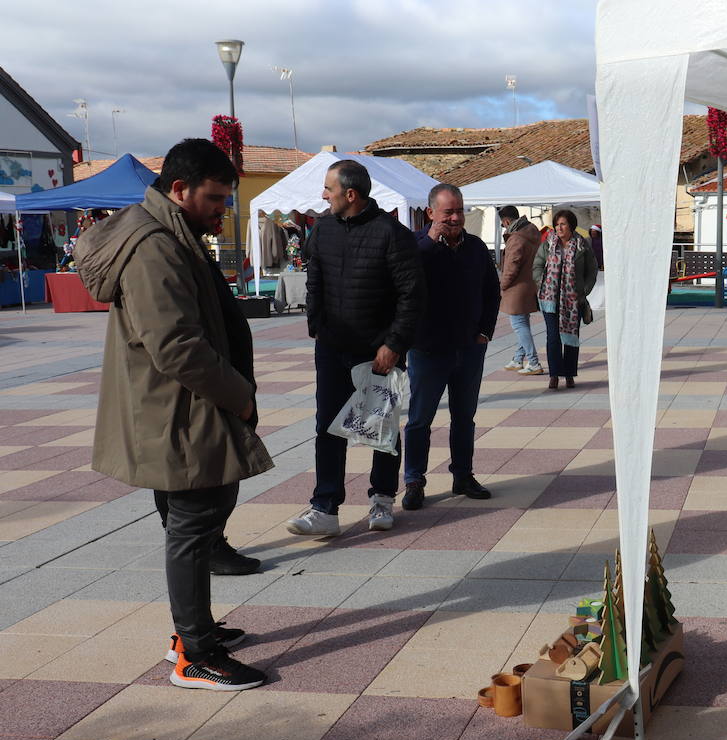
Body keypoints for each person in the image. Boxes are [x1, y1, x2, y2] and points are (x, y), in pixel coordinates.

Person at [75, 138, 273, 690]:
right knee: (194, 524)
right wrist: (241, 394)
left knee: (191, 520)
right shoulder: (154, 246)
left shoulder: (171, 232)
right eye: (215, 198)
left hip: (180, 410)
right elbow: (177, 345)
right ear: (179, 189)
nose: (222, 210)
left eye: (227, 199)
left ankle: (193, 630)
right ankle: (195, 653)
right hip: (180, 412)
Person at [286, 159, 424, 537]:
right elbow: (314, 277)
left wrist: (394, 344)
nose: (322, 195)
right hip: (332, 348)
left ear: (351, 194)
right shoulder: (323, 229)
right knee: (327, 427)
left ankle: (382, 497)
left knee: (382, 426)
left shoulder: (391, 234)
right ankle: (325, 508)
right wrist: (316, 323)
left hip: (378, 351)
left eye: (328, 188)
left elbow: (412, 296)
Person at [402, 184, 500, 510]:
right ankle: (414, 481)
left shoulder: (475, 247)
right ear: (430, 213)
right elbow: (404, 280)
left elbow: (492, 292)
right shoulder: (415, 246)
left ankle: (463, 475)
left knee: (464, 417)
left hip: (469, 349)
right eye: (448, 212)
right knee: (419, 420)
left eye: (459, 210)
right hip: (428, 350)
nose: (456, 218)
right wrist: (431, 241)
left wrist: (485, 331)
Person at [533, 209, 597, 390]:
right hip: (550, 299)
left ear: (571, 226)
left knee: (570, 337)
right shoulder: (547, 244)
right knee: (553, 337)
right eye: (557, 224)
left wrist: (583, 291)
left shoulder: (582, 245)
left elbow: (591, 270)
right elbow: (537, 264)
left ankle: (569, 374)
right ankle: (554, 375)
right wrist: (540, 282)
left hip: (572, 301)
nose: (559, 228)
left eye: (563, 224)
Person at [498, 205, 544, 376]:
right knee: (522, 323)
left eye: (503, 224)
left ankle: (533, 362)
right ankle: (518, 358)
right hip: (530, 284)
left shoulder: (516, 238)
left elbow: (512, 265)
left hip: (517, 288)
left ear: (507, 221)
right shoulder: (532, 230)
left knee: (518, 324)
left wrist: (502, 284)